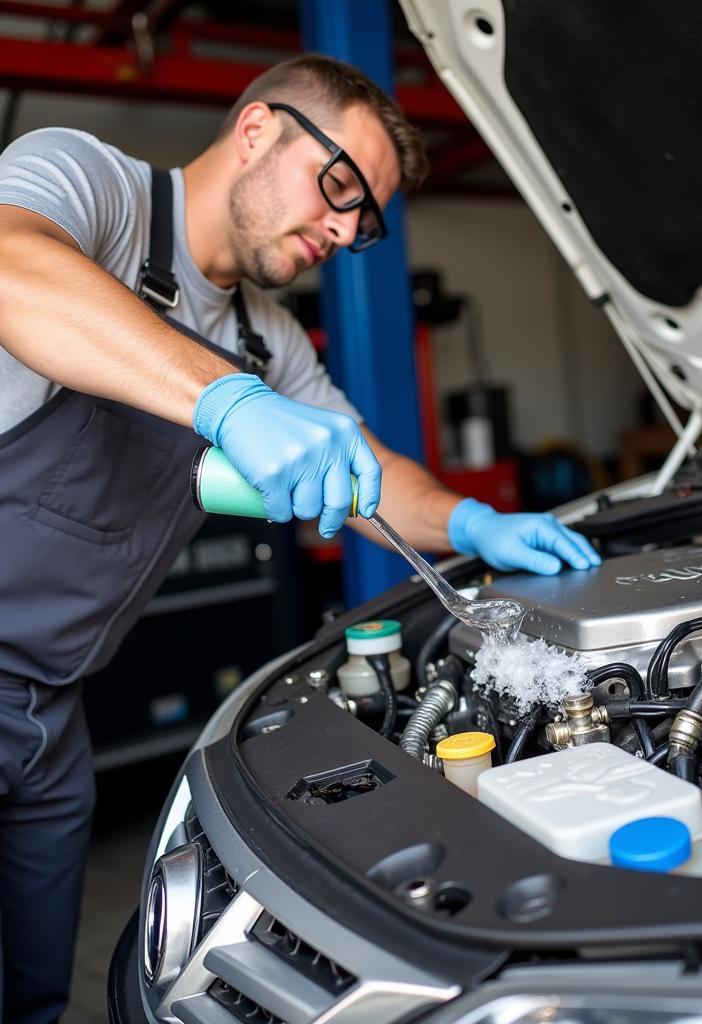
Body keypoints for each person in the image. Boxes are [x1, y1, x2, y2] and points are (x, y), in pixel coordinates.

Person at [0, 53, 600, 1023]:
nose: (343, 227)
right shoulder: (93, 187)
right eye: (337, 188)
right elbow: (10, 265)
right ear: (255, 130)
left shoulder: (265, 340)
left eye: (365, 221)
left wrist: (474, 522)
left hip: (50, 713)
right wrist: (221, 400)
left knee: (30, 997)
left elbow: (374, 476)